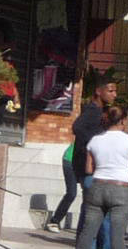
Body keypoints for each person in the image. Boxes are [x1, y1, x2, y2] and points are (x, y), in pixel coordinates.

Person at [73, 105, 128, 249]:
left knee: (88, 231)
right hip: (121, 188)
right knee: (117, 234)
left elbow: (89, 169)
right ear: (122, 121)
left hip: (97, 186)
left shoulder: (95, 140)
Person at [47, 75, 115, 232]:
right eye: (110, 90)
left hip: (88, 164)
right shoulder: (92, 110)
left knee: (89, 204)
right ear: (99, 91)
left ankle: (88, 238)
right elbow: (77, 127)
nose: (114, 95)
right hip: (73, 161)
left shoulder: (102, 112)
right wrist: (92, 145)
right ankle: (56, 221)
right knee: (72, 194)